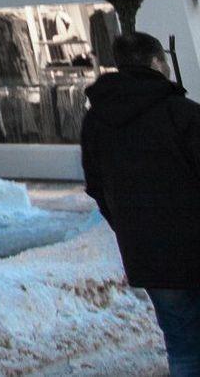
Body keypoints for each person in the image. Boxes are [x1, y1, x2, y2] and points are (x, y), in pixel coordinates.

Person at [81, 30, 200, 377]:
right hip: (194, 244)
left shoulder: (97, 121)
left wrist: (129, 225)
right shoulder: (182, 113)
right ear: (156, 62)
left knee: (182, 346)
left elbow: (96, 186)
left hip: (147, 254)